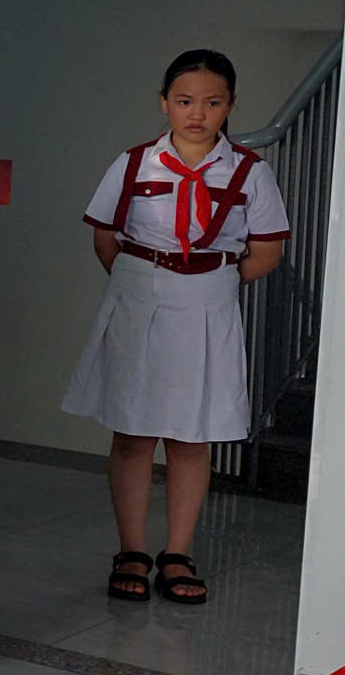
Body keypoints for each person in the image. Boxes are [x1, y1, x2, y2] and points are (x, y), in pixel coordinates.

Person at [63, 49, 288, 606]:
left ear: (230, 106)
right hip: (139, 296)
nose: (197, 113)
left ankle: (178, 552)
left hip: (209, 300)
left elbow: (266, 252)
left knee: (192, 434)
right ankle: (132, 550)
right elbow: (105, 237)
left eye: (213, 102)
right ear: (164, 102)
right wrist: (144, 280)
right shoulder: (134, 164)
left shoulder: (250, 172)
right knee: (133, 431)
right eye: (185, 101)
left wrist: (210, 283)